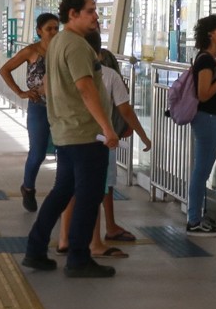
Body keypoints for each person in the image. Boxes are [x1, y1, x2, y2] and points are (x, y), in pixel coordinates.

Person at [22, 0, 119, 278]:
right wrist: (107, 127)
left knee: (61, 192)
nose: (95, 15)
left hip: (66, 131)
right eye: (90, 10)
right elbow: (85, 88)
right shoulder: (76, 45)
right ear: (73, 14)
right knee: (88, 197)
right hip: (85, 134)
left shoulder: (58, 42)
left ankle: (35, 249)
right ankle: (78, 258)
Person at [57, 36, 151, 258]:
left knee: (69, 189)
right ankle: (94, 243)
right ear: (98, 53)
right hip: (98, 140)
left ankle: (63, 239)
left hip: (69, 136)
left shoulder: (68, 74)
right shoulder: (108, 76)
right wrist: (143, 136)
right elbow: (125, 111)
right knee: (94, 190)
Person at [0, 12, 61, 213]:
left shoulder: (63, 50)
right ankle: (28, 187)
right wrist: (20, 93)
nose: (53, 32)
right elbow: (5, 70)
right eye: (48, 29)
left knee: (65, 153)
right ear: (39, 31)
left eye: (56, 28)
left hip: (62, 109)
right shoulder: (31, 51)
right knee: (38, 152)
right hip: (39, 108)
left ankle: (61, 193)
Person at [185, 14, 216, 235]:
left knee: (203, 169)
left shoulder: (210, 59)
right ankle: (194, 219)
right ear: (210, 34)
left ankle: (198, 216)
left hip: (211, 118)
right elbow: (203, 94)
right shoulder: (205, 60)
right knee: (201, 170)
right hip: (207, 118)